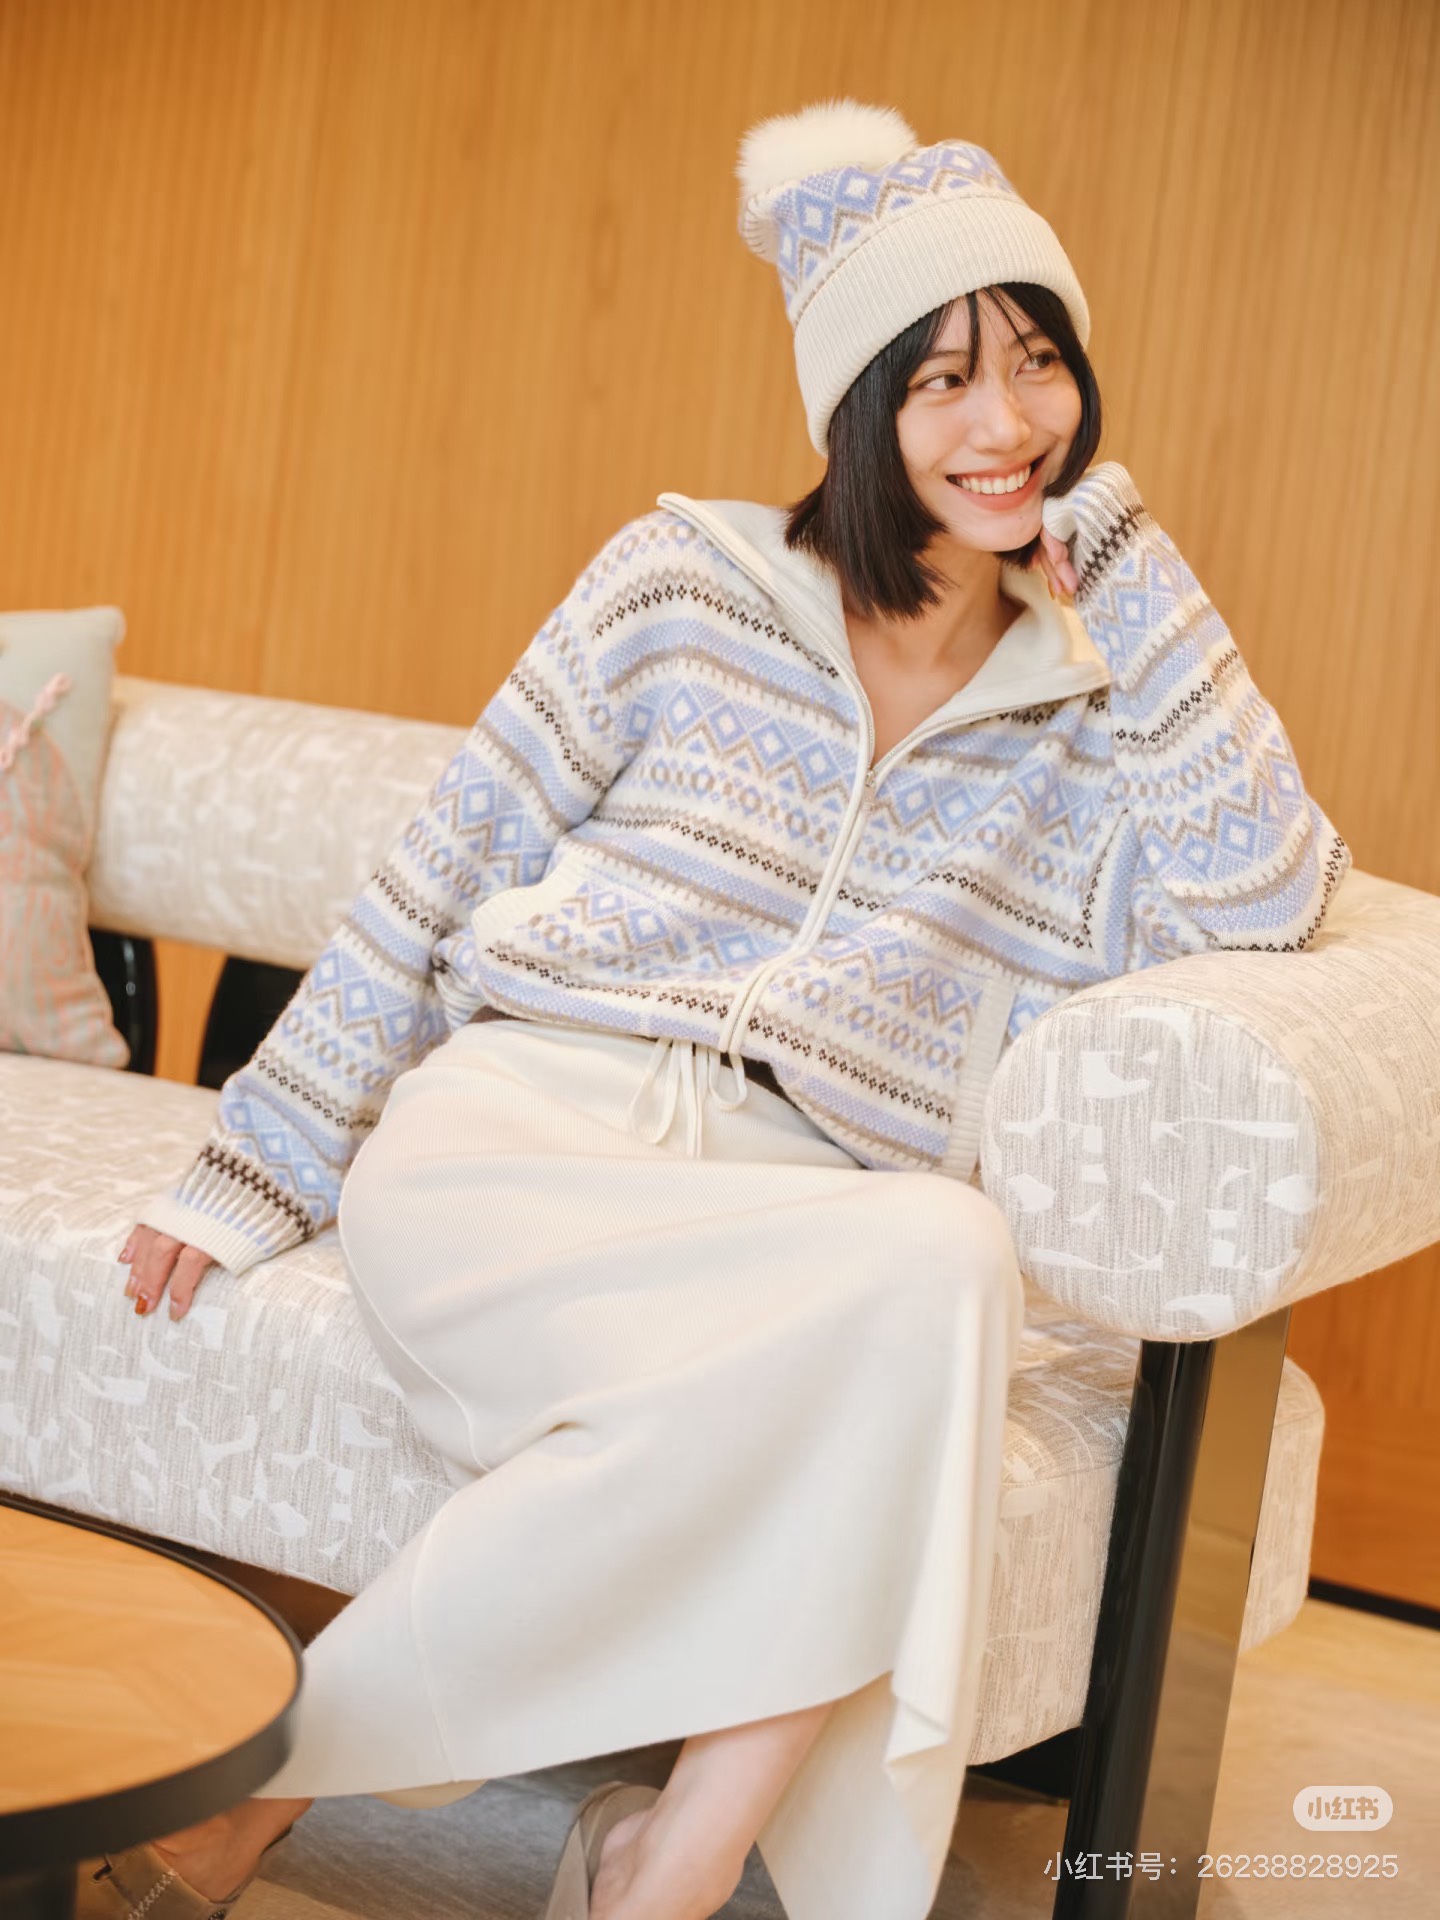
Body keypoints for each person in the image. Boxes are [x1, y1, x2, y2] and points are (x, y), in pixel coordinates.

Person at [93, 99, 1350, 1920]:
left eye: (1039, 362)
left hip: (804, 1199)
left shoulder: (1096, 717)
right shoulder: (682, 582)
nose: (1007, 422)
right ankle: (571, 1852)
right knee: (882, 1376)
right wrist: (256, 1165)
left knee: (948, 1263)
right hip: (528, 1134)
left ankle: (655, 1866)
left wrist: (1135, 577)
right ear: (859, 409)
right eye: (943, 381)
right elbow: (446, 860)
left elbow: (1267, 901)